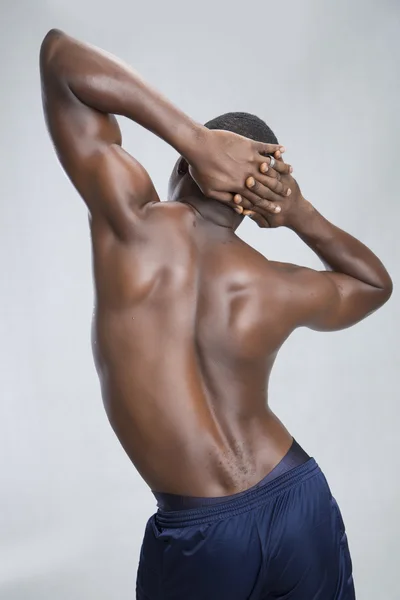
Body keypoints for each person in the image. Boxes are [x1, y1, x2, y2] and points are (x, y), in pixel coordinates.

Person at [40, 29, 392, 600]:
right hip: (298, 497)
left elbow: (59, 59)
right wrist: (299, 213)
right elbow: (374, 284)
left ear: (186, 162)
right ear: (249, 206)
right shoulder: (275, 283)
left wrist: (194, 137)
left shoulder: (132, 225)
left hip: (202, 533)